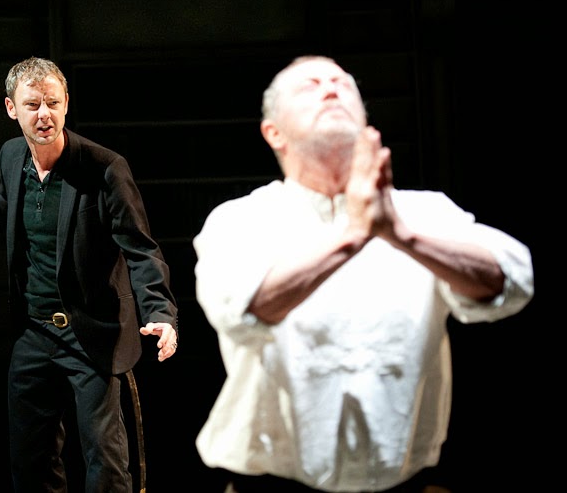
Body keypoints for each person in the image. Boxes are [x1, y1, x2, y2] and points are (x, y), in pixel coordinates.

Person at [192, 55, 534, 493]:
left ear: (366, 123)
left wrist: (403, 235)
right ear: (273, 132)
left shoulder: (423, 212)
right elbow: (240, 311)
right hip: (271, 483)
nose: (330, 88)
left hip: (402, 482)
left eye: (342, 83)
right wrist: (353, 235)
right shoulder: (241, 219)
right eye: (310, 85)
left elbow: (512, 280)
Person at [0, 56, 179, 492]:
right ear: (11, 108)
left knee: (105, 461)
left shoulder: (105, 169)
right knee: (31, 461)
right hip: (34, 332)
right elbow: (4, 207)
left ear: (66, 103)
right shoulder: (11, 156)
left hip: (90, 332)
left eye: (53, 103)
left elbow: (140, 248)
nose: (45, 115)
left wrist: (161, 312)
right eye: (33, 105)